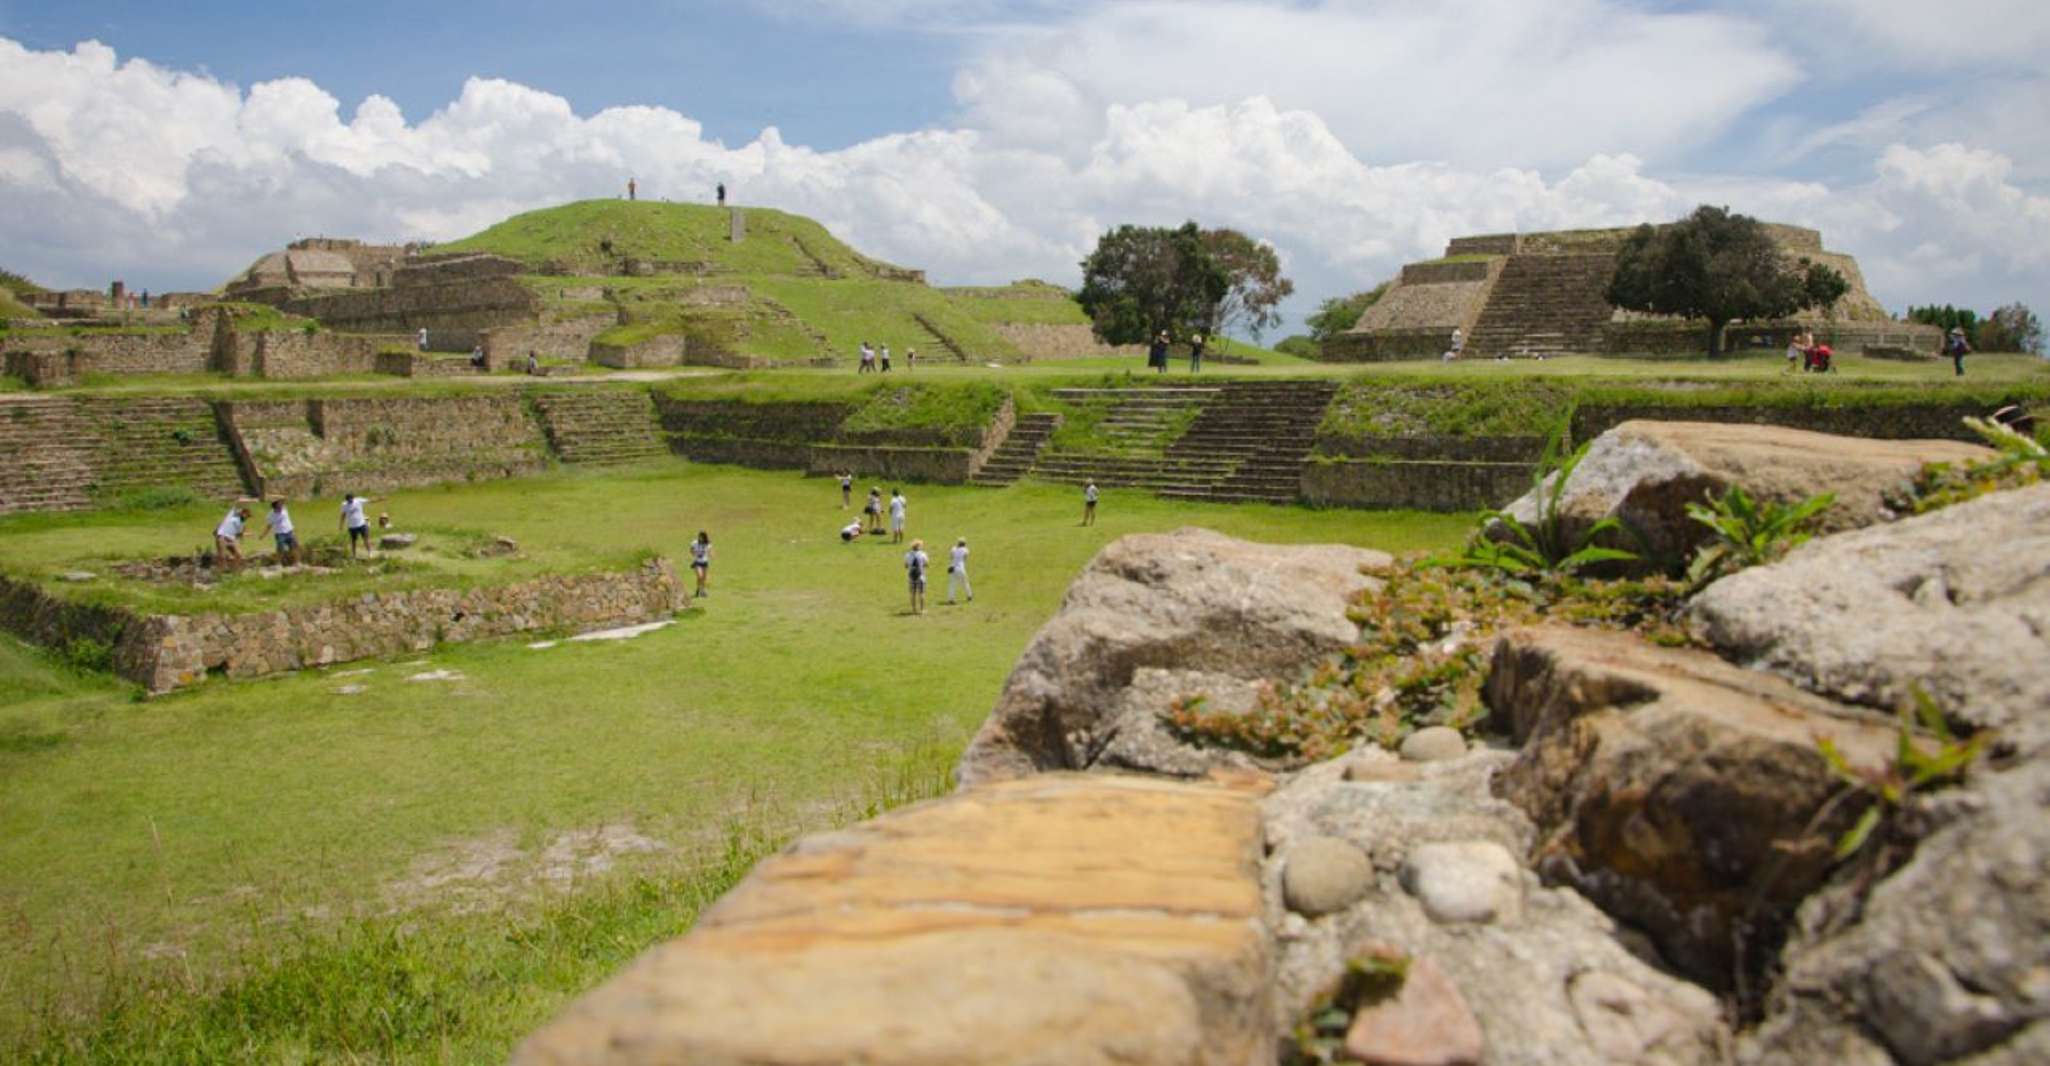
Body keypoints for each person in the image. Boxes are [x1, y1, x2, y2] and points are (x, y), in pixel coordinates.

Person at [265, 499, 298, 565]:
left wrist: (280, 499)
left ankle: (296, 562)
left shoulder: (284, 509)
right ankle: (278, 563)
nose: (281, 508)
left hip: (289, 531)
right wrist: (263, 535)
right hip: (280, 534)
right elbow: (269, 526)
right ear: (275, 508)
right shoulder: (270, 515)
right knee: (280, 548)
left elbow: (285, 500)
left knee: (294, 546)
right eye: (279, 507)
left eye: (281, 506)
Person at [339, 492, 373, 558]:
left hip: (361, 524)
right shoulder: (344, 505)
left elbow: (369, 501)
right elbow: (343, 515)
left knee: (366, 539)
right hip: (352, 526)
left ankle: (370, 553)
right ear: (346, 500)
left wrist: (379, 499)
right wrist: (341, 525)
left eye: (351, 499)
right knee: (353, 541)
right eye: (348, 500)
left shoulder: (358, 501)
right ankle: (354, 555)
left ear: (353, 498)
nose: (350, 501)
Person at [904, 538, 930, 614]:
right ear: (919, 546)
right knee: (921, 593)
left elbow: (905, 566)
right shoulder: (923, 554)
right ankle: (922, 610)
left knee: (912, 593)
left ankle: (913, 609)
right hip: (921, 576)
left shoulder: (907, 554)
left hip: (911, 576)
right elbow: (927, 564)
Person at [946, 537, 972, 604]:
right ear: (964, 544)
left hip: (952, 568)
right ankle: (969, 595)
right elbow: (965, 558)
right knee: (965, 582)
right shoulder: (965, 549)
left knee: (952, 584)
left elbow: (951, 557)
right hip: (960, 568)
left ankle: (951, 599)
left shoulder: (953, 549)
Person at [690, 531, 712, 597]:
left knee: (704, 578)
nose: (700, 538)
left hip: (705, 562)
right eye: (699, 536)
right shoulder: (695, 543)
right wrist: (694, 553)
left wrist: (711, 554)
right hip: (697, 562)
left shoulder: (707, 544)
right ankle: (698, 590)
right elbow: (691, 550)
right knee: (700, 576)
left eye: (701, 537)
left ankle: (702, 591)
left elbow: (709, 551)